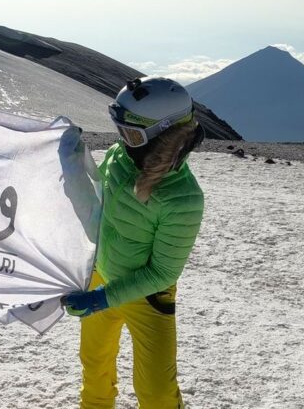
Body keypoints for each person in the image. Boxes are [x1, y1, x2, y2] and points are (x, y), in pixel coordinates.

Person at [63, 77, 206, 409]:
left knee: (156, 392)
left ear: (164, 136)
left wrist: (104, 298)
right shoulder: (119, 155)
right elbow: (96, 203)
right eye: (120, 130)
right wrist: (70, 164)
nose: (122, 141)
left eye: (131, 134)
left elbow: (161, 273)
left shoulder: (182, 198)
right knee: (94, 363)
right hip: (101, 274)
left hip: (146, 296)